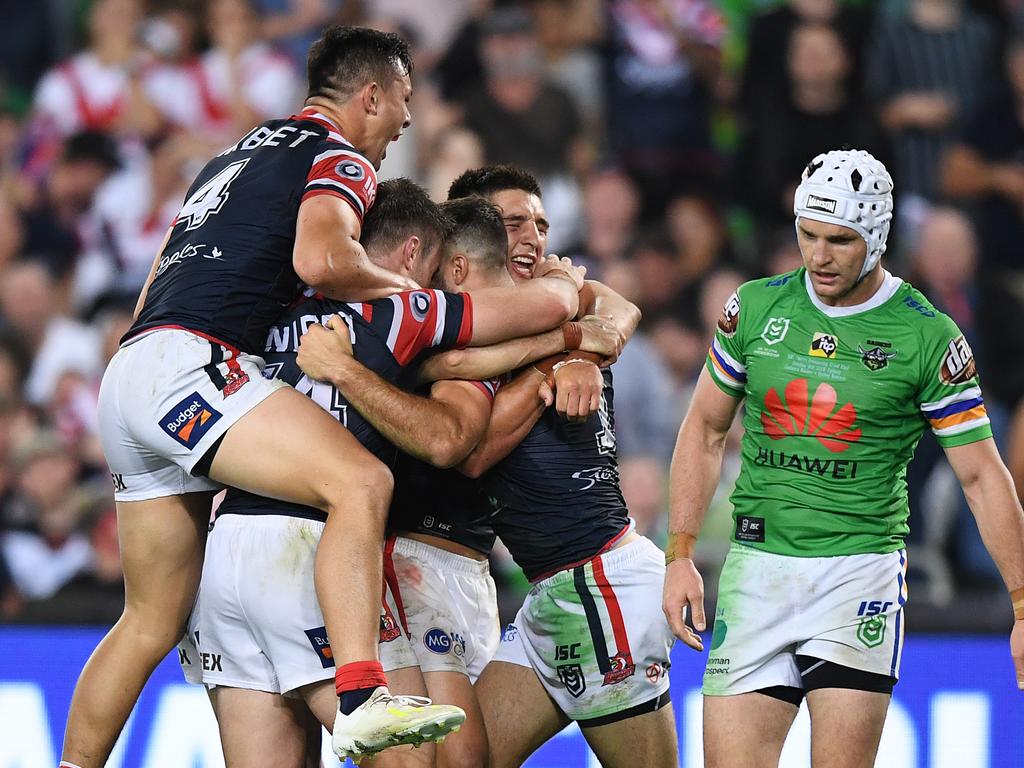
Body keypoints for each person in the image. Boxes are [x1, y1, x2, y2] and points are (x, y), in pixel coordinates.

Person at [60, 27, 461, 768]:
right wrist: (402, 290)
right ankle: (363, 696)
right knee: (361, 481)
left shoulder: (232, 156)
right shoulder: (336, 154)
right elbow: (322, 257)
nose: (400, 129)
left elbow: (158, 282)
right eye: (399, 108)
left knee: (148, 619)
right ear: (369, 97)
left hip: (132, 370)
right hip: (191, 365)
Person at [179, 183, 594, 766]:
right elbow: (536, 319)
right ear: (410, 253)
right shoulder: (402, 309)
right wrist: (570, 311)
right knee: (414, 761)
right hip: (310, 548)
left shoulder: (276, 311)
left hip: (225, 555)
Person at [662, 148, 1024, 768]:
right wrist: (680, 554)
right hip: (756, 570)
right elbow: (702, 430)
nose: (819, 255)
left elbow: (981, 474)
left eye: (839, 240)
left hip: (858, 574)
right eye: (807, 234)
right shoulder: (753, 307)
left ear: (879, 237)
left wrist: (1022, 601)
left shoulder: (928, 337)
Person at [439, 165, 676, 768]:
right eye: (513, 222)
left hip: (600, 582)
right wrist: (568, 350)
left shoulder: (557, 306)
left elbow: (471, 454)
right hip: (553, 592)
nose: (533, 238)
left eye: (540, 225)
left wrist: (578, 349)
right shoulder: (539, 316)